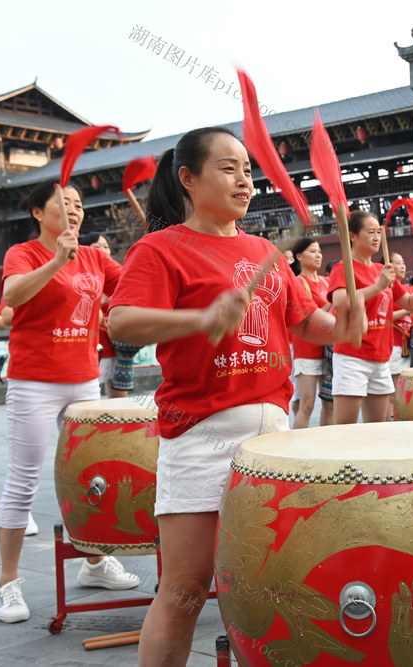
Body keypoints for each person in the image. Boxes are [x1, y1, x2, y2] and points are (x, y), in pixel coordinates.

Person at [105, 126, 364, 665]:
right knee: (184, 590)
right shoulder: (161, 248)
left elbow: (312, 325)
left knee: (283, 581)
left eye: (248, 169)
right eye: (228, 168)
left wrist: (346, 320)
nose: (244, 179)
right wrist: (202, 317)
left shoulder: (265, 251)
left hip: (272, 437)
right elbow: (122, 322)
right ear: (187, 179)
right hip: (201, 434)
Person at [0, 182, 140, 625]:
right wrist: (59, 258)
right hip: (36, 381)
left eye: (79, 204)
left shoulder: (97, 258)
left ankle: (94, 564)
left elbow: (133, 287)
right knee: (22, 482)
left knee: (93, 475)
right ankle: (7, 583)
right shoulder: (23, 254)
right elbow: (14, 298)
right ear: (39, 212)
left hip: (84, 383)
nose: (74, 209)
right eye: (64, 203)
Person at [329, 211, 413, 425]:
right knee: (345, 431)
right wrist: (379, 286)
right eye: (370, 232)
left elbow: (408, 303)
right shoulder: (343, 268)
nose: (376, 238)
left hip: (381, 357)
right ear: (352, 235)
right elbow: (340, 302)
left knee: (378, 428)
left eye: (378, 233)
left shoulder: (383, 269)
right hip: (352, 356)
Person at [290, 237, 332, 428]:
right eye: (313, 252)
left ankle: (326, 447)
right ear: (299, 256)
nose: (318, 256)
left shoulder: (326, 282)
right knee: (307, 404)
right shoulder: (299, 283)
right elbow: (310, 318)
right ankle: (298, 450)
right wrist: (333, 302)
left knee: (329, 403)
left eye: (319, 252)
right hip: (307, 351)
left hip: (327, 351)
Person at [79, 233, 127, 399]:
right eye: (97, 247)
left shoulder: (116, 275)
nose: (103, 251)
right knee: (87, 400)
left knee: (119, 400)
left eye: (106, 247)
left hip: (118, 346)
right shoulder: (81, 275)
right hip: (91, 346)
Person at [388, 252, 413, 420]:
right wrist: (407, 309)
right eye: (398, 263)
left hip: (405, 345)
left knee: (403, 386)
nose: (403, 266)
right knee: (393, 389)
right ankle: (391, 418)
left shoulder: (404, 289)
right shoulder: (387, 288)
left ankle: (399, 418)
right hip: (393, 344)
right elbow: (385, 315)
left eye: (403, 262)